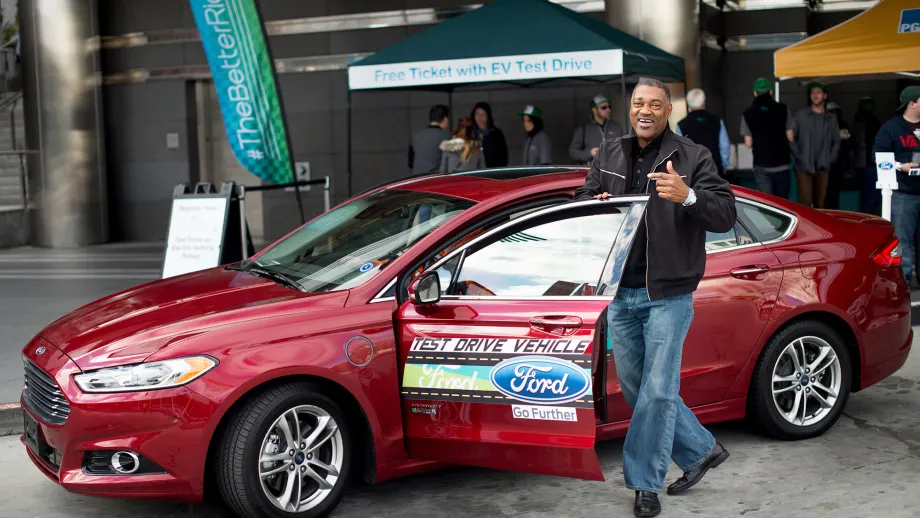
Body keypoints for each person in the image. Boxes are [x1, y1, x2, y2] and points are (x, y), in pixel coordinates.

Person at [574, 77, 735, 518]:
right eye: (638, 103)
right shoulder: (607, 152)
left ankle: (645, 485)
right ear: (631, 108)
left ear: (668, 110)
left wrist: (689, 196)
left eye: (655, 104)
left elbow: (725, 213)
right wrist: (595, 203)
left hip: (668, 293)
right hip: (620, 292)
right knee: (638, 387)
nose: (645, 110)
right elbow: (582, 199)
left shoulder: (693, 156)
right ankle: (701, 450)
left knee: (659, 390)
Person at [874, 86, 920, 286]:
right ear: (912, 103)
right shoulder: (891, 128)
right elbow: (878, 158)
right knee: (903, 241)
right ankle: (905, 283)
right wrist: (901, 166)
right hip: (903, 193)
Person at [741, 78, 795, 199]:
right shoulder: (783, 109)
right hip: (782, 164)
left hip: (761, 165)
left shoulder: (747, 113)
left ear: (755, 93)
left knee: (768, 204)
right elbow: (790, 137)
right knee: (784, 203)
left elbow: (748, 143)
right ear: (771, 92)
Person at [791, 81, 840, 208]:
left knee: (820, 205)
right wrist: (800, 158)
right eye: (812, 93)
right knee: (805, 204)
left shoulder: (831, 118)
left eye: (818, 92)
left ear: (825, 96)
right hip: (803, 167)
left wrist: (830, 159)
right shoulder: (800, 116)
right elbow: (791, 139)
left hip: (823, 166)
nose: (815, 95)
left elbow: (836, 141)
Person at [675, 88, 731, 178]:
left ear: (688, 104)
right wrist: (723, 167)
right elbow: (725, 147)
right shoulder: (717, 121)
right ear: (704, 102)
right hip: (715, 171)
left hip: (692, 173)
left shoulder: (682, 124)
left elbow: (679, 151)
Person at [569, 94, 624, 164]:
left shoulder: (616, 127)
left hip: (614, 171)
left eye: (609, 107)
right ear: (594, 110)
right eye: (604, 107)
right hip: (592, 171)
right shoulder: (583, 129)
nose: (608, 110)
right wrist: (590, 153)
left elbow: (626, 148)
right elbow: (573, 152)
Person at [853, 97, 882, 215]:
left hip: (861, 162)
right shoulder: (874, 123)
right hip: (870, 163)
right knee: (871, 197)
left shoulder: (856, 122)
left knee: (866, 196)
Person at [825, 102, 853, 209]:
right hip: (825, 165)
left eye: (836, 112)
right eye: (831, 112)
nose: (834, 114)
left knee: (835, 192)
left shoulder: (843, 124)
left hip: (840, 164)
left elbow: (849, 139)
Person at [409, 104, 450, 174]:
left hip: (417, 178)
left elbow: (410, 163)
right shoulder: (447, 136)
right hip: (436, 179)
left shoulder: (416, 136)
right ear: (445, 119)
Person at [471, 102, 509, 167]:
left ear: (488, 115)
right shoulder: (470, 133)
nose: (480, 117)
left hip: (491, 172)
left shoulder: (496, 134)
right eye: (477, 114)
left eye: (483, 114)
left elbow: (503, 157)